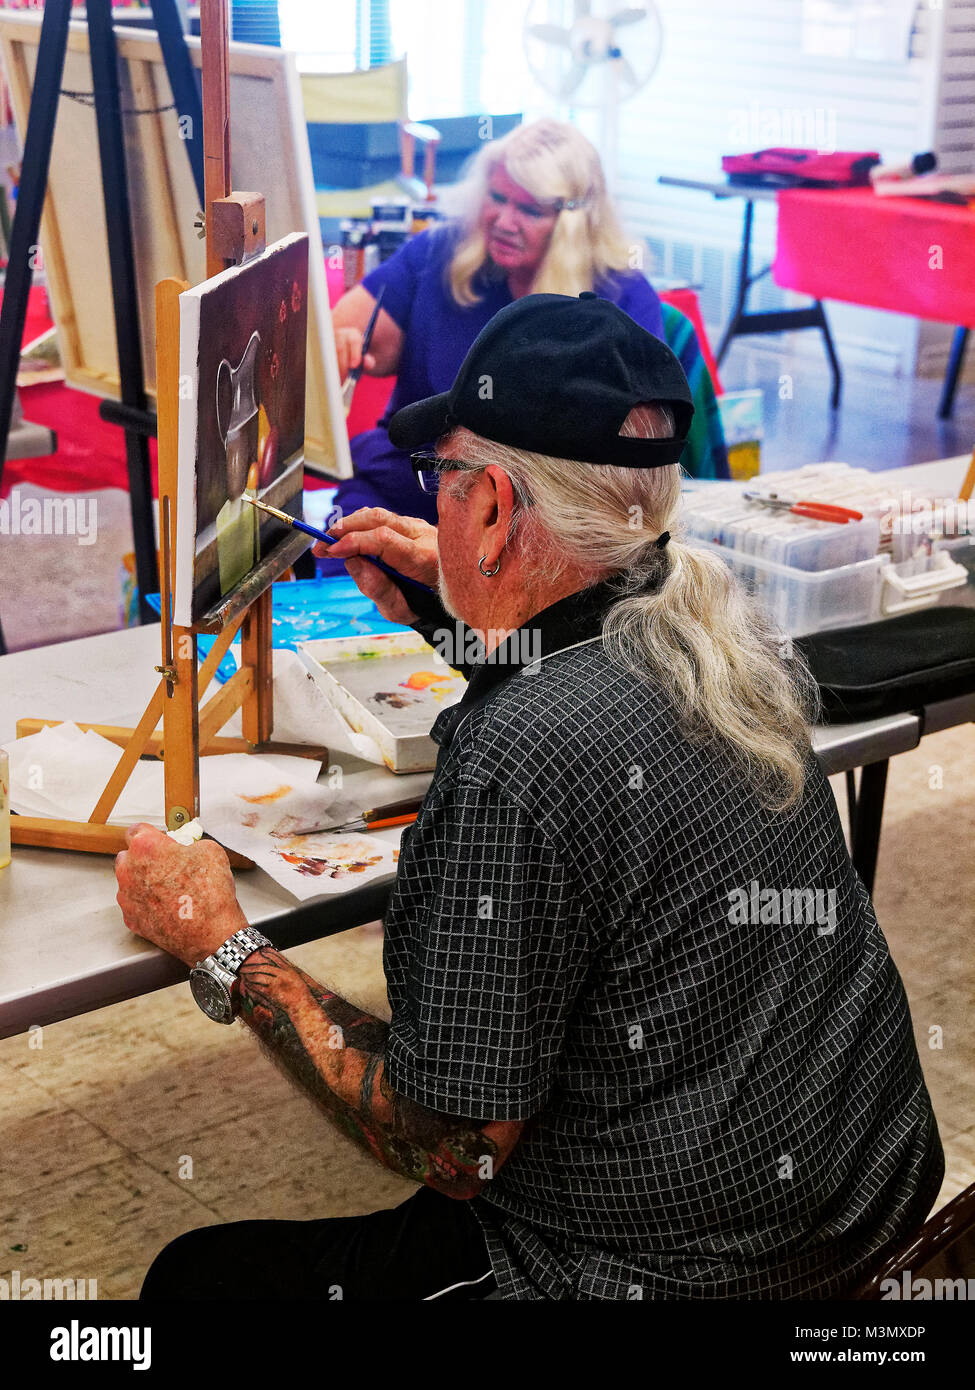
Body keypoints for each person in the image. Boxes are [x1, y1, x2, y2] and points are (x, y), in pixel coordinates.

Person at [120, 294, 942, 1301]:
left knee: (193, 1283)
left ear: (500, 510)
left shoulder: (525, 754)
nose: (437, 503)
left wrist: (223, 945)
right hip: (872, 1217)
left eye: (447, 479)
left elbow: (456, 1147)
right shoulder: (718, 627)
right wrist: (470, 603)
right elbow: (591, 684)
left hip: (678, 1280)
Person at [326, 117, 668, 536]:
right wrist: (341, 348)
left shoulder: (624, 299)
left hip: (539, 526)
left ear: (572, 223)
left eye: (528, 210)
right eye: (497, 197)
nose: (504, 221)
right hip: (409, 488)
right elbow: (342, 339)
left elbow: (633, 466)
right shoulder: (440, 252)